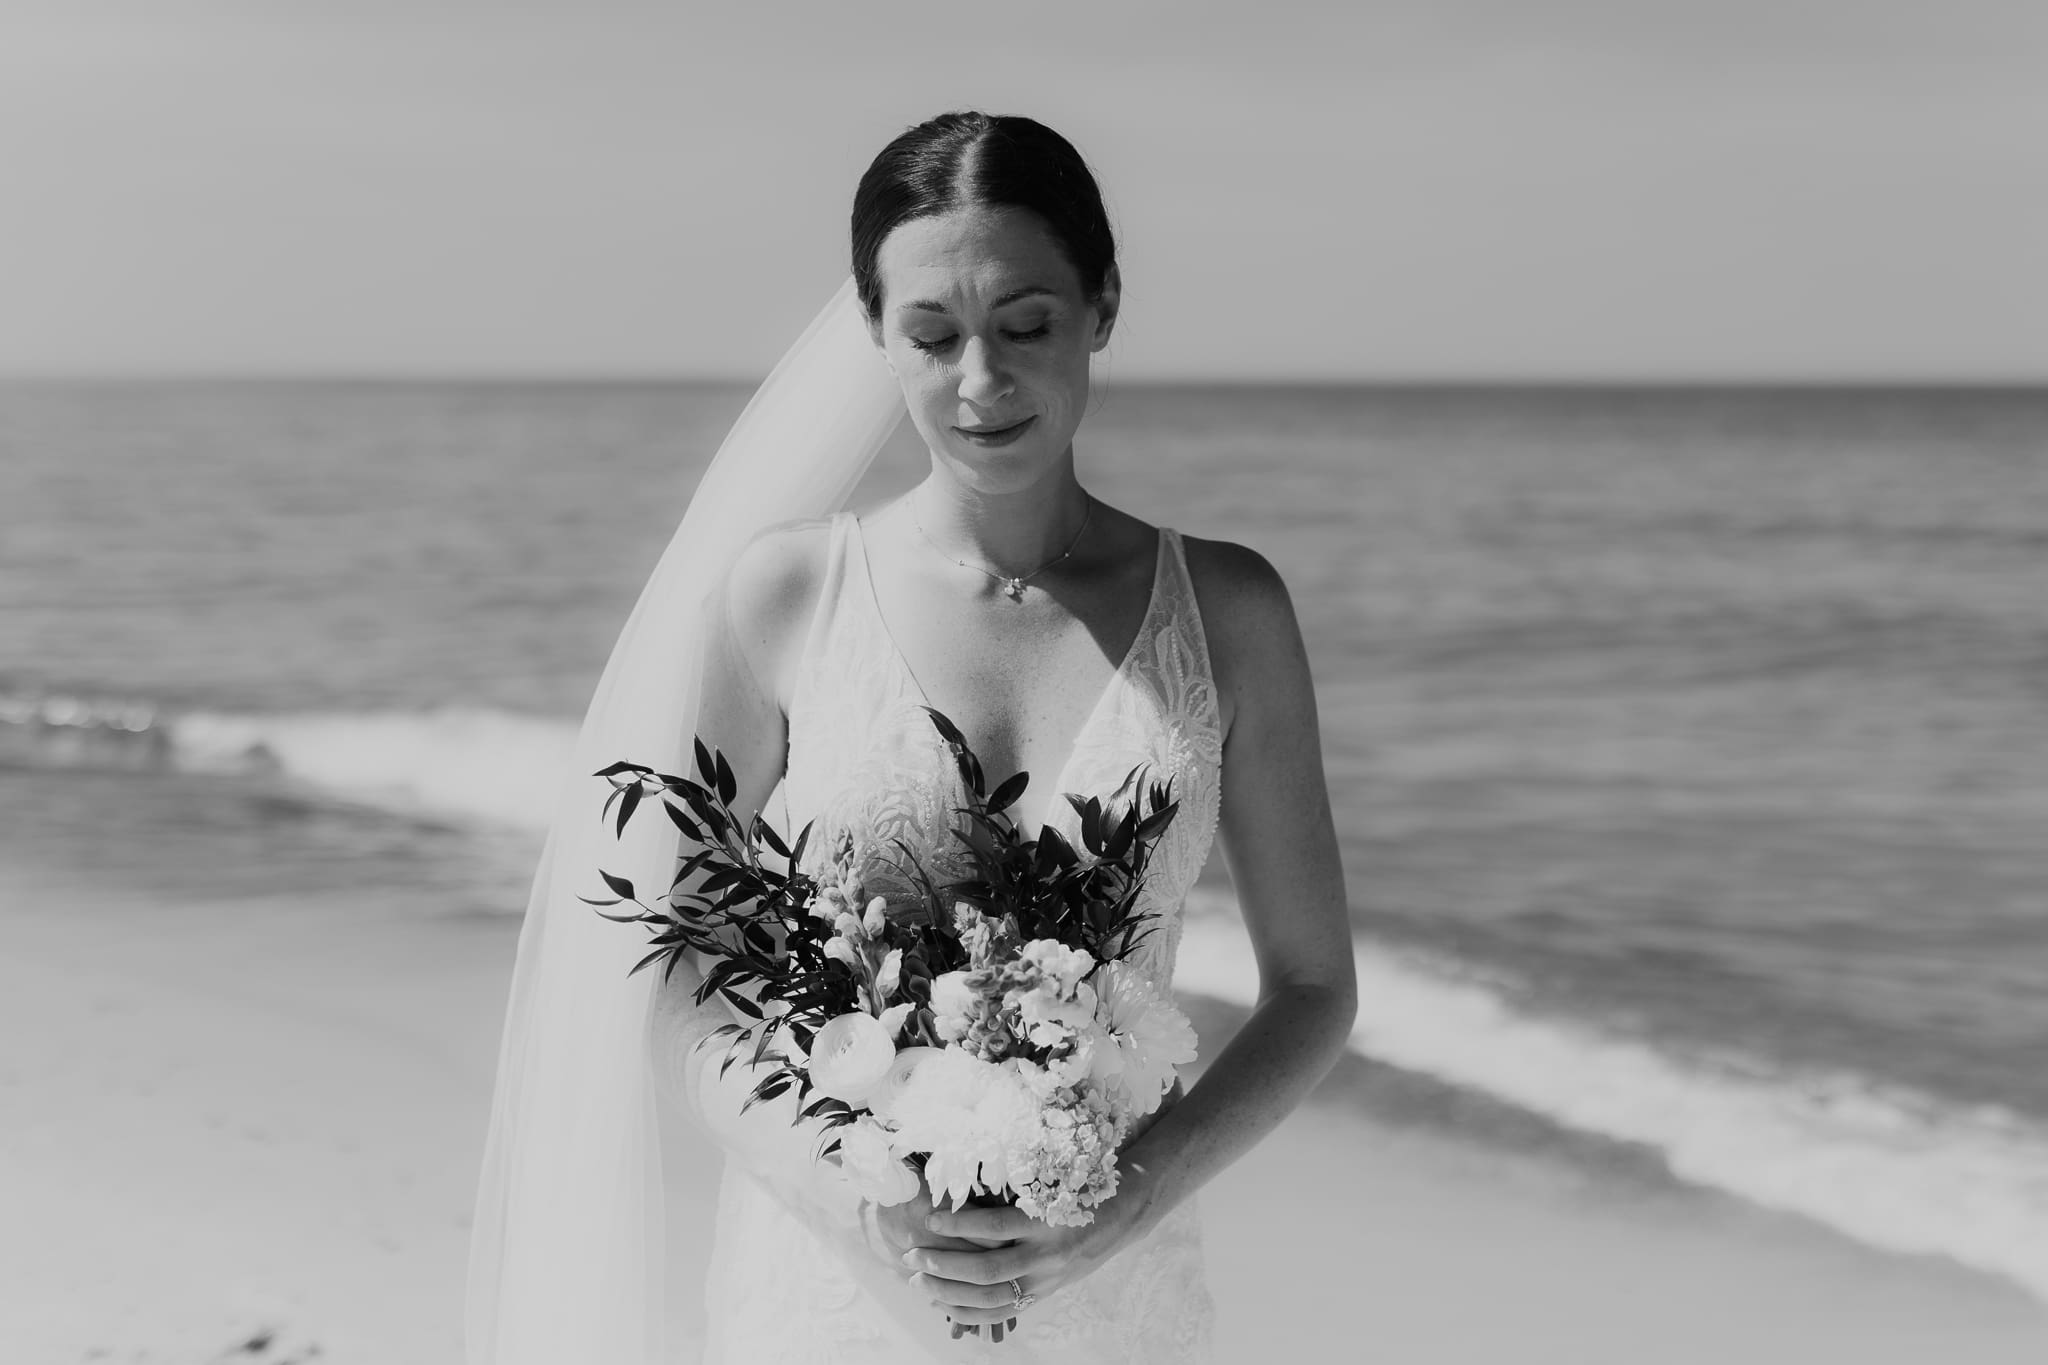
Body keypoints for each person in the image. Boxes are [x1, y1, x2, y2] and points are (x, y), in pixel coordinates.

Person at [467, 111, 1357, 1365]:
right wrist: (842, 1187)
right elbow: (682, 971)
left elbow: (1313, 988)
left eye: (1026, 324)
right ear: (876, 333)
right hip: (828, 1289)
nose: (980, 383)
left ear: (1102, 307)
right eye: (932, 337)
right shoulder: (786, 598)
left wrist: (1132, 1195)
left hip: (1111, 1290)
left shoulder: (1230, 612)